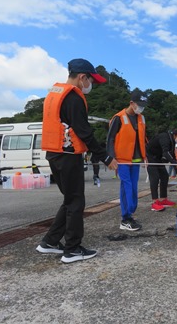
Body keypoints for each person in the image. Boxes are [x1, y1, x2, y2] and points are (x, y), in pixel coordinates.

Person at [36, 58, 111, 264]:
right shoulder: (73, 98)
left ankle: (49, 242)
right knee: (76, 201)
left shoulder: (54, 95)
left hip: (54, 154)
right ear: (82, 77)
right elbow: (83, 131)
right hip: (68, 156)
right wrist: (104, 156)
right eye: (91, 81)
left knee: (70, 200)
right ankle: (72, 249)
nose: (91, 86)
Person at [106, 90, 148, 231]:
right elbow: (110, 138)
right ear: (131, 103)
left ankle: (130, 214)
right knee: (126, 186)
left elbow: (143, 139)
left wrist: (145, 156)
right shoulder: (118, 118)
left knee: (134, 187)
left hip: (136, 160)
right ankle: (125, 218)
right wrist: (111, 157)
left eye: (143, 105)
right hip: (122, 160)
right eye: (139, 104)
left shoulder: (141, 118)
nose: (141, 108)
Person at [146, 128, 177, 211]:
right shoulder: (165, 137)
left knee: (165, 176)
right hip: (150, 157)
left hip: (158, 158)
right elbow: (165, 153)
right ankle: (155, 202)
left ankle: (163, 199)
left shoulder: (172, 141)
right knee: (155, 178)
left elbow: (172, 155)